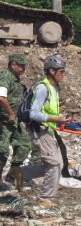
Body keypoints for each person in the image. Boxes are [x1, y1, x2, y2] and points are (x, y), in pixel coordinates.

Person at [13, 55, 69, 207]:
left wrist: (57, 113)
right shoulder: (42, 88)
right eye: (62, 71)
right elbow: (34, 113)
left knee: (59, 164)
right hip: (39, 130)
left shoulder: (54, 87)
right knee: (54, 163)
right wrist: (55, 119)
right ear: (52, 70)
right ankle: (44, 199)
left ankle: (21, 173)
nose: (64, 74)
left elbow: (45, 108)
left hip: (48, 130)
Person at [0, 53, 31, 189]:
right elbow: (1, 97)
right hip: (5, 121)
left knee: (24, 145)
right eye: (21, 66)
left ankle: (13, 174)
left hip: (15, 122)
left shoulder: (16, 79)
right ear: (13, 65)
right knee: (2, 151)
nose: (23, 68)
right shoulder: (5, 77)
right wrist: (10, 113)